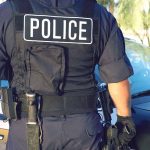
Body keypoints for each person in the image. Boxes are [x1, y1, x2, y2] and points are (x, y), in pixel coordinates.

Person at [0, 0, 136, 150]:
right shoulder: (97, 14)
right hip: (83, 133)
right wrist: (124, 123)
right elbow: (118, 79)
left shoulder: (8, 12)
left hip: (25, 131)